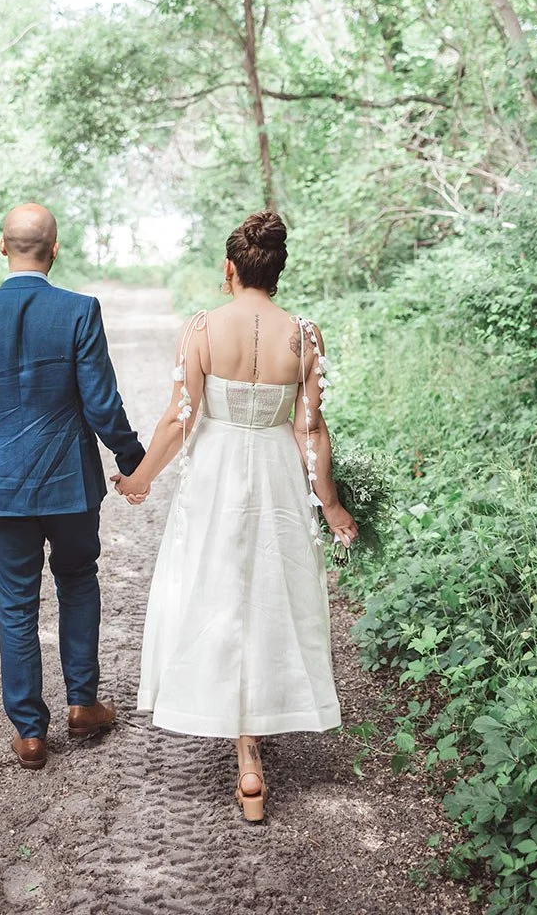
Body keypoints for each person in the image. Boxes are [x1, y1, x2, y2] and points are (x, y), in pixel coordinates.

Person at [118, 210, 359, 822]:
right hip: (277, 472)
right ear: (277, 270)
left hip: (216, 474)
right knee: (272, 591)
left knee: (216, 586)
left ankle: (241, 745)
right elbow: (310, 429)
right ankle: (255, 738)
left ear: (230, 268)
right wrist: (331, 505)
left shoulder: (201, 328)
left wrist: (141, 478)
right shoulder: (304, 335)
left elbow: (180, 419)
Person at [0, 203, 146, 769]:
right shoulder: (79, 310)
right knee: (77, 580)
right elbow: (101, 402)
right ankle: (82, 703)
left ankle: (30, 733)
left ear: (2, 247)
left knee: (15, 603)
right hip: (68, 481)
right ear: (55, 250)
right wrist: (133, 460)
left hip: (0, 485)